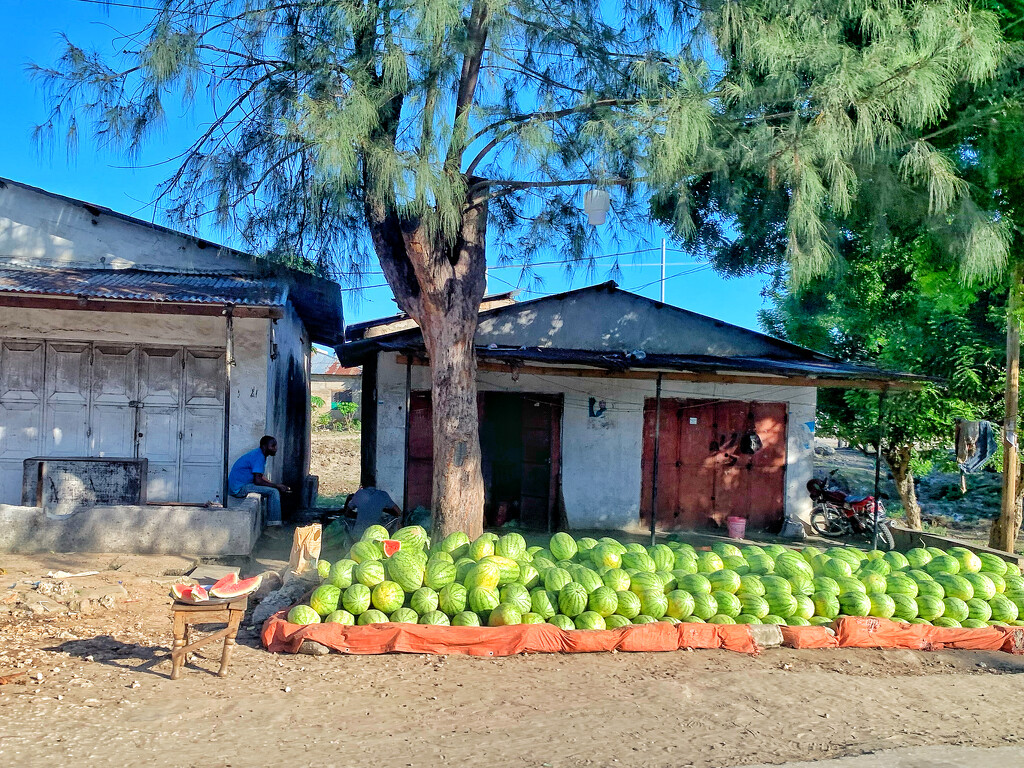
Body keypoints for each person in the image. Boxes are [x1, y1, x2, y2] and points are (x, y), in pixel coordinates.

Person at [228, 435, 290, 527]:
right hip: (239, 488)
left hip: (243, 485)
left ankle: (275, 520)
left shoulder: (258, 454)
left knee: (274, 489)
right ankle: (274, 524)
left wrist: (275, 484)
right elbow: (258, 481)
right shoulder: (259, 457)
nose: (275, 448)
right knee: (273, 492)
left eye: (275, 446)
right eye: (272, 446)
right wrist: (276, 486)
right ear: (264, 446)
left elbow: (260, 476)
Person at [345, 475, 401, 539]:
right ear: (375, 483)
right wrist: (384, 510)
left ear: (362, 484)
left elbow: (347, 513)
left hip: (358, 534)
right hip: (376, 535)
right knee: (396, 519)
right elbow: (398, 512)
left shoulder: (359, 493)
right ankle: (396, 538)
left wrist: (359, 514)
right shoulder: (383, 495)